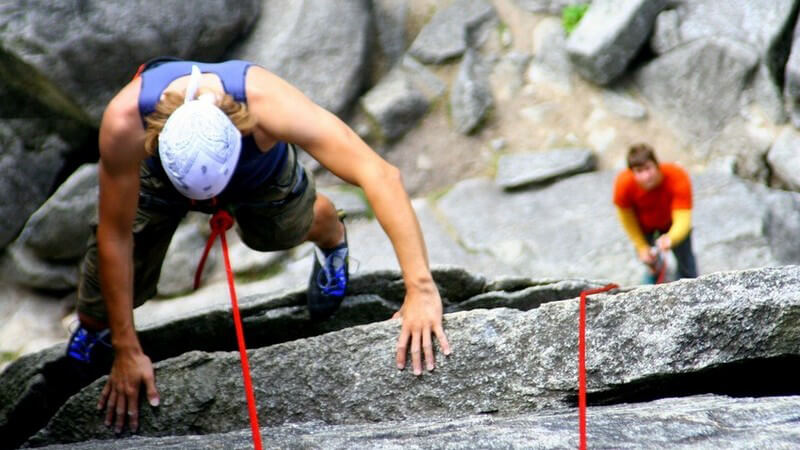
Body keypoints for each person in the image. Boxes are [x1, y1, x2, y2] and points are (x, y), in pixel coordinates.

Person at [65, 58, 451, 434]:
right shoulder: (125, 123)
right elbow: (115, 236)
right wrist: (126, 348)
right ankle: (97, 325)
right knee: (102, 297)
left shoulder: (268, 104)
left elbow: (379, 173)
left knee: (280, 231)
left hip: (256, 169)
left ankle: (330, 233)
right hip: (158, 181)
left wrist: (420, 288)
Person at [613, 143, 698, 283]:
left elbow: (683, 219)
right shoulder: (623, 185)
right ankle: (653, 275)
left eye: (648, 168)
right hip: (644, 226)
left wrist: (671, 238)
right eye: (639, 171)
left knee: (686, 263)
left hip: (672, 223)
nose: (646, 176)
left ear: (657, 165)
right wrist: (641, 247)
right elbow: (627, 219)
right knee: (649, 261)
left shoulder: (677, 176)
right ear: (632, 173)